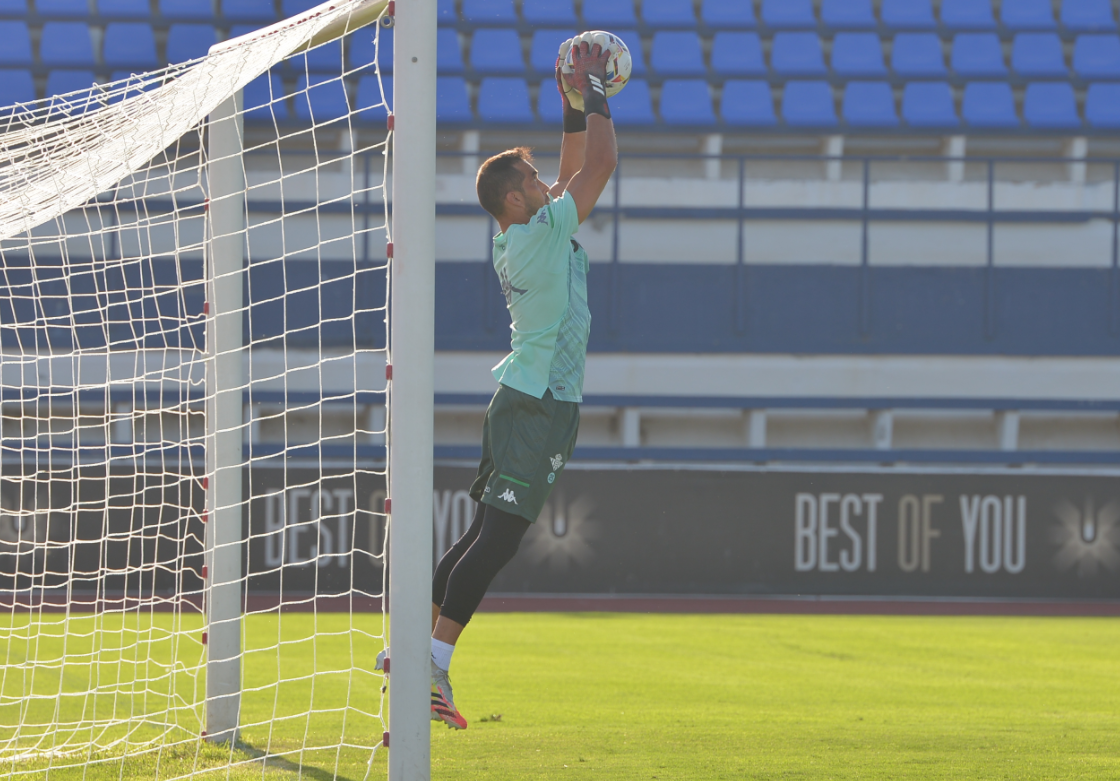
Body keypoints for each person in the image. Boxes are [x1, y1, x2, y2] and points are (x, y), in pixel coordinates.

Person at [427, 33, 618, 730]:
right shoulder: (538, 234)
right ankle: (431, 665)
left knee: (483, 534)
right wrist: (594, 90)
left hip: (526, 397)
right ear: (516, 198)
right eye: (535, 182)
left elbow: (570, 168)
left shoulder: (525, 230)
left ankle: (413, 647)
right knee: (499, 539)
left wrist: (569, 103)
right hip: (539, 403)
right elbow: (599, 163)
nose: (549, 185)